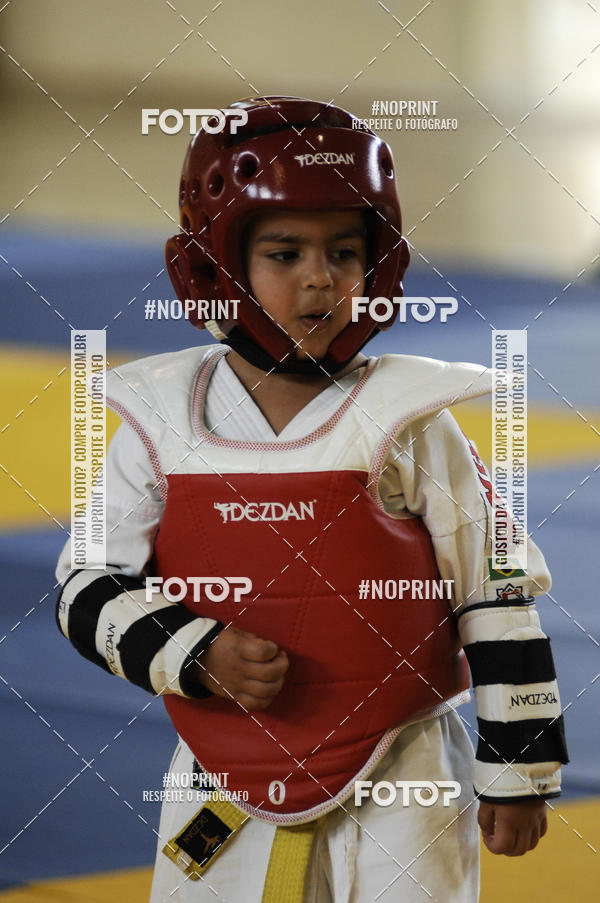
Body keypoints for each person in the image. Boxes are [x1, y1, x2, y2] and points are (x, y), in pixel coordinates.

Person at [56, 96, 568, 903]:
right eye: (285, 253)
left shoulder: (411, 426)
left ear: (381, 265)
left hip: (406, 761)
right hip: (223, 761)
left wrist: (518, 766)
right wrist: (193, 650)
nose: (320, 278)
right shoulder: (159, 424)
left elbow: (497, 591)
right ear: (214, 268)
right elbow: (85, 586)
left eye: (344, 252)